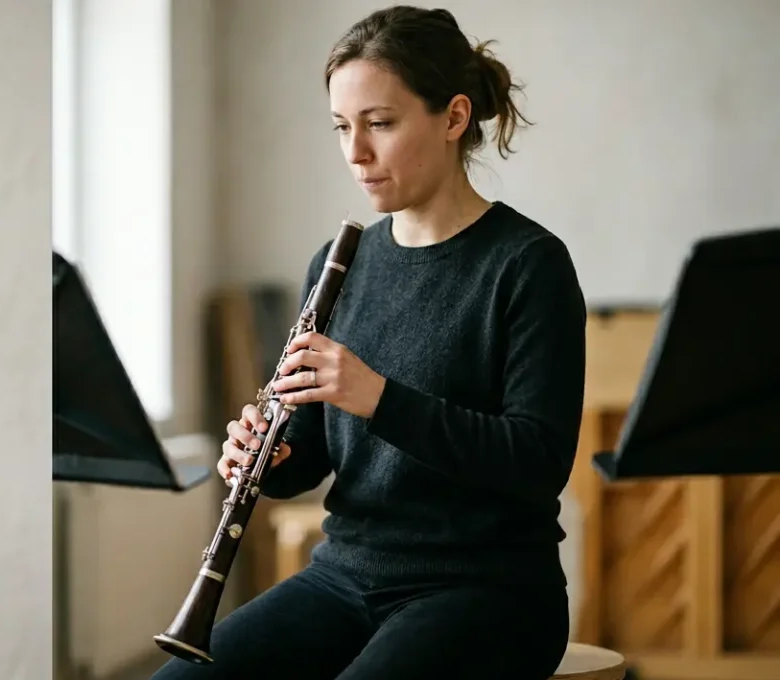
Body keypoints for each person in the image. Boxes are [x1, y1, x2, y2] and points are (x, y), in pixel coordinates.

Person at [152, 6, 586, 680]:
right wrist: (265, 459)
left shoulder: (528, 264)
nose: (356, 152)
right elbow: (314, 457)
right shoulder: (340, 261)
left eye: (380, 124)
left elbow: (536, 460)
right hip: (345, 579)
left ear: (453, 117)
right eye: (342, 127)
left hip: (488, 592)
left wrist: (378, 397)